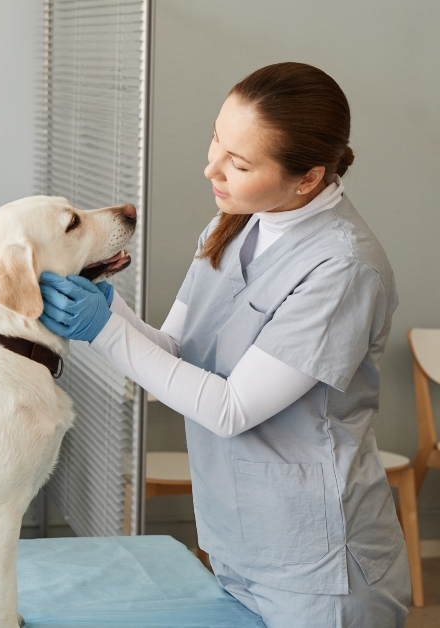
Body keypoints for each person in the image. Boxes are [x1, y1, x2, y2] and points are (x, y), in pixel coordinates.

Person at [36, 63, 409, 626]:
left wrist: (105, 332)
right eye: (216, 138)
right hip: (237, 543)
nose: (211, 167)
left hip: (319, 563)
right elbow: (175, 352)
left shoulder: (343, 267)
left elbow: (230, 408)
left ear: (307, 178)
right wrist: (109, 308)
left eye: (239, 162)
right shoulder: (231, 226)